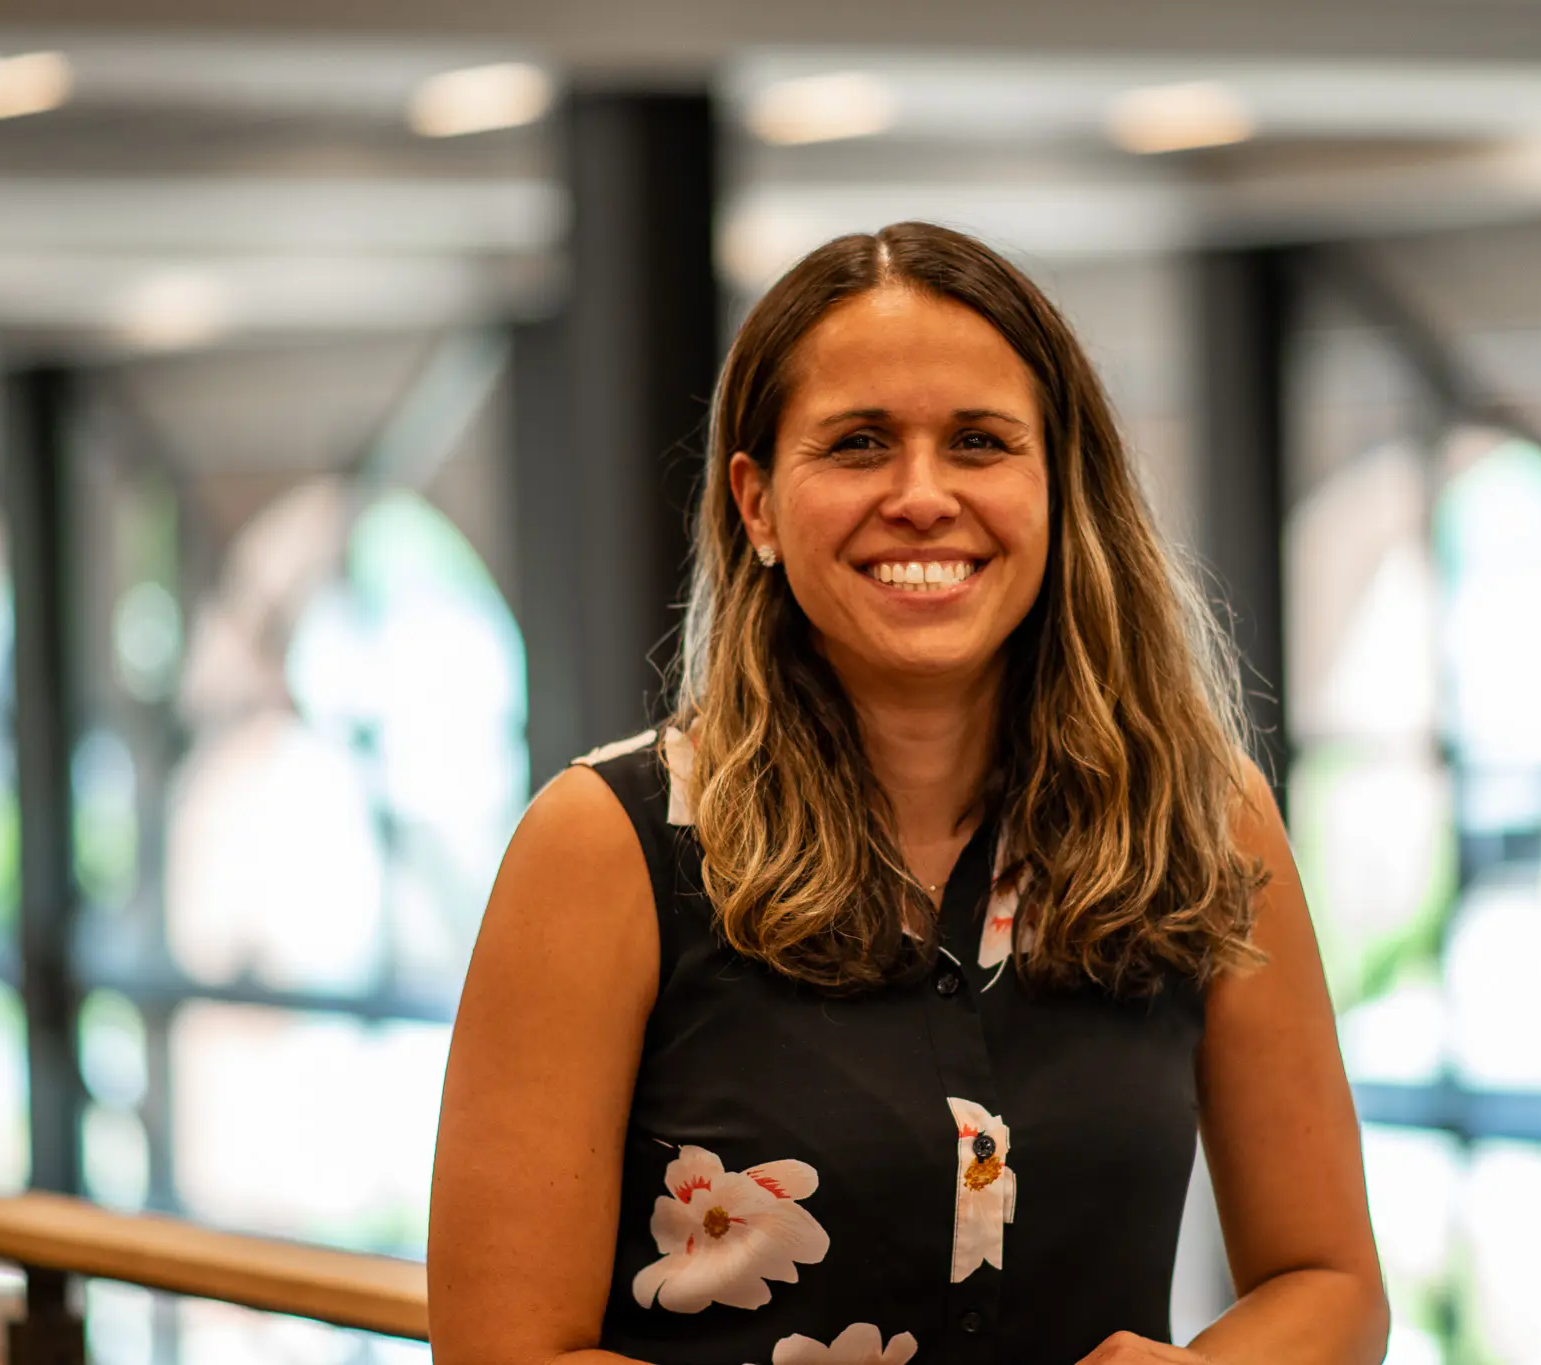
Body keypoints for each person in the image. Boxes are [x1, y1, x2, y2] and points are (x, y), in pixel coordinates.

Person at [427, 222, 1388, 1365]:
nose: (921, 496)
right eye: (857, 444)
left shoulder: (1200, 817)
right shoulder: (603, 844)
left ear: (1055, 486)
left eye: (978, 442)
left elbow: (1328, 1282)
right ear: (758, 503)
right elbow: (503, 1352)